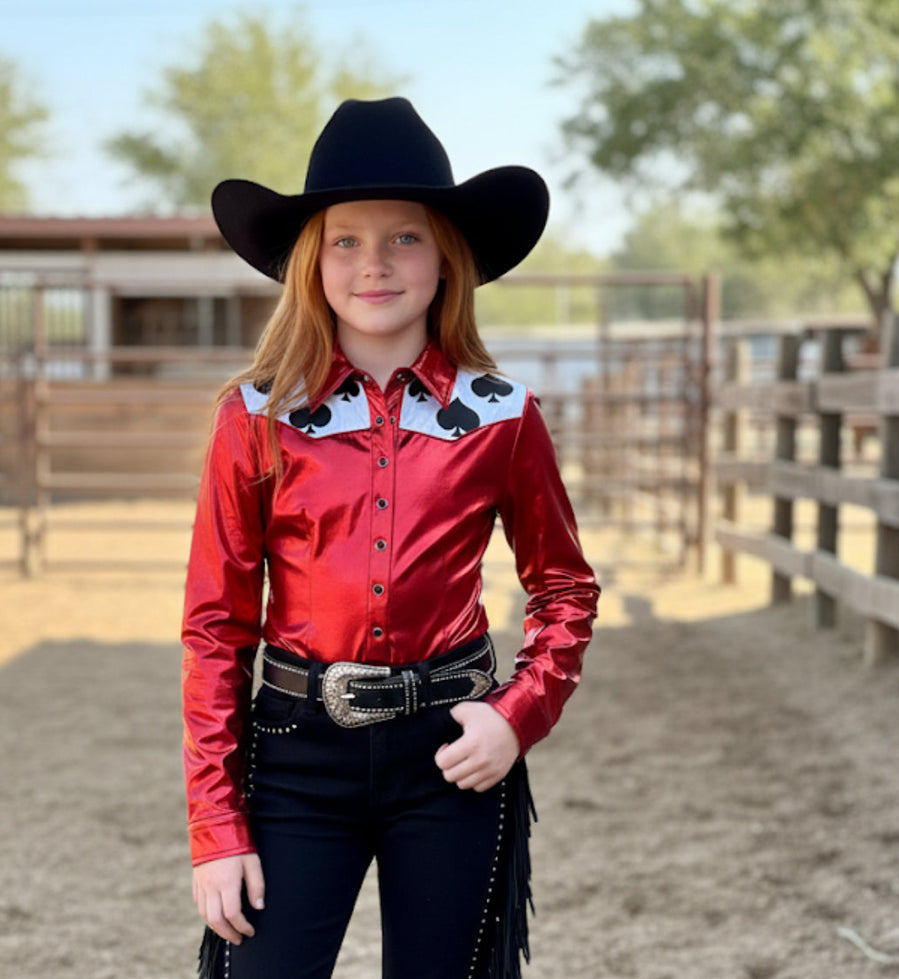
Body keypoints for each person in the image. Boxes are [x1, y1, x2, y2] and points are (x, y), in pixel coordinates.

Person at [182, 96, 600, 979]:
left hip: (453, 755)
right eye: (346, 239)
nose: (375, 264)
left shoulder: (503, 415)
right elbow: (217, 625)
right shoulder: (254, 417)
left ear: (445, 259)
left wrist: (516, 716)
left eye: (404, 237)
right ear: (313, 261)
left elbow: (564, 588)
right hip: (294, 758)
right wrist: (217, 826)